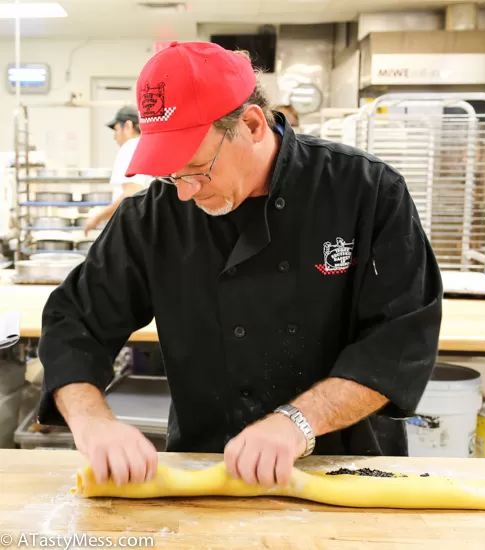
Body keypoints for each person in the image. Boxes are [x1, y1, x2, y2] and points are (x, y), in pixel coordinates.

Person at [37, 42, 443, 489]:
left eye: (196, 168)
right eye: (171, 175)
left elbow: (399, 339)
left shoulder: (365, 192)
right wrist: (93, 421)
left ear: (250, 124)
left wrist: (297, 423)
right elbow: (73, 324)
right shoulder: (152, 218)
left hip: (346, 468)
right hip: (207, 468)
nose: (185, 193)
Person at [84, 106, 152, 235]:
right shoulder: (149, 146)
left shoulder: (130, 147)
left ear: (127, 126)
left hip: (133, 228)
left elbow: (131, 194)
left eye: (116, 130)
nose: (115, 137)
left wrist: (97, 218)